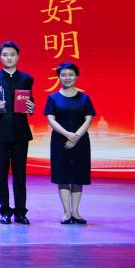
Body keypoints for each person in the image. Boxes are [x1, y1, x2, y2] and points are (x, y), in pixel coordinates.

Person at [0, 40, 35, 224]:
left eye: (12, 55)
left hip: (21, 133)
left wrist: (31, 106)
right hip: (0, 133)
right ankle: (5, 210)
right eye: (5, 55)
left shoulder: (26, 79)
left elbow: (29, 101)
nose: (9, 58)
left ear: (18, 57)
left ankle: (20, 212)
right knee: (1, 174)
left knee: (20, 174)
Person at [45, 62, 96, 225]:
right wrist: (67, 134)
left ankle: (76, 212)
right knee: (63, 176)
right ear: (59, 77)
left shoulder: (84, 98)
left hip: (81, 142)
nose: (67, 78)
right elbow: (51, 119)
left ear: (77, 76)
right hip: (60, 141)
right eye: (63, 75)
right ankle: (67, 213)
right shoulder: (53, 98)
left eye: (71, 75)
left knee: (78, 176)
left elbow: (88, 119)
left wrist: (76, 137)